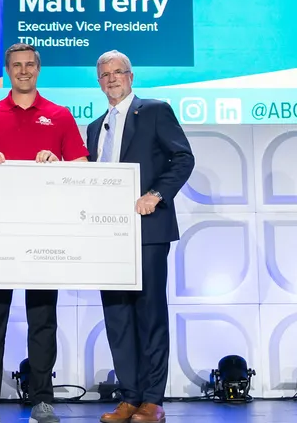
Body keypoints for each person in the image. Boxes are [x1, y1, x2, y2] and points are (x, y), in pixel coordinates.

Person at [0, 44, 89, 423]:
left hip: (44, 234)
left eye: (29, 65)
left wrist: (60, 162)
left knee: (43, 318)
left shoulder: (59, 115)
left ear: (38, 69)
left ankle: (42, 400)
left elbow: (81, 166)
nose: (23, 71)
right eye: (16, 66)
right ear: (7, 70)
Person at [87, 50, 194, 423]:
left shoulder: (154, 110)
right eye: (105, 74)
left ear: (131, 76)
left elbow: (183, 158)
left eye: (118, 72)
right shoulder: (94, 126)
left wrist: (156, 194)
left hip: (147, 230)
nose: (112, 78)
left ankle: (152, 399)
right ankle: (129, 396)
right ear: (98, 82)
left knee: (149, 314)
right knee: (117, 317)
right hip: (107, 234)